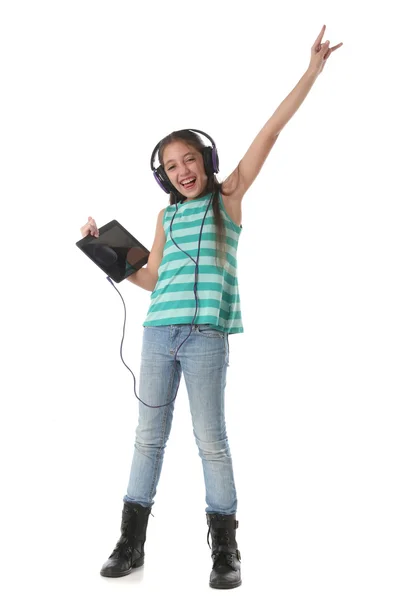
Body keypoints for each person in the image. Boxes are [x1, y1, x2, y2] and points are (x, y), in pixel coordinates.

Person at [79, 25, 342, 589]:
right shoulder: (166, 217)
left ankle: (226, 551)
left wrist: (312, 72)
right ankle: (131, 542)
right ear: (163, 176)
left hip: (205, 337)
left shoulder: (229, 199)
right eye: (172, 166)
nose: (183, 170)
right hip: (158, 334)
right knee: (148, 436)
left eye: (190, 159)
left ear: (207, 159)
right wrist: (105, 250)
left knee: (210, 439)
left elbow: (270, 132)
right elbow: (150, 276)